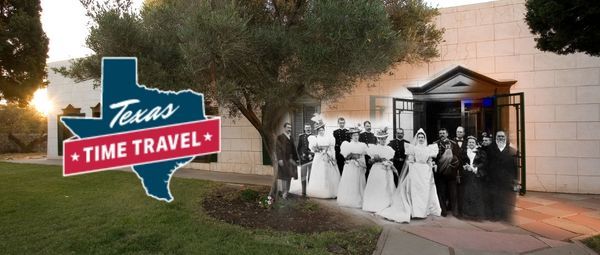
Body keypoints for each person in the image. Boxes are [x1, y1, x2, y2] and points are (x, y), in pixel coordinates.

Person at [378, 128, 441, 223]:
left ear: (424, 138)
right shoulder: (413, 148)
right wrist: (411, 170)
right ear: (417, 138)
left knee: (424, 191)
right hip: (416, 171)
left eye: (422, 137)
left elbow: (429, 161)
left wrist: (431, 166)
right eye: (419, 137)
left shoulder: (429, 149)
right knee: (415, 191)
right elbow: (410, 161)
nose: (420, 139)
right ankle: (415, 211)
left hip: (425, 171)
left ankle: (423, 211)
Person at [485, 131, 518, 222]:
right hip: (493, 179)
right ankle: (495, 216)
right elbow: (486, 164)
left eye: (502, 136)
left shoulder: (511, 151)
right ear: (495, 137)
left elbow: (514, 166)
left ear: (505, 138)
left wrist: (515, 179)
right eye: (498, 136)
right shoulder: (489, 149)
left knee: (504, 197)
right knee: (494, 198)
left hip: (505, 179)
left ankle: (504, 216)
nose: (500, 138)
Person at [362, 128, 396, 212]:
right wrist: (375, 160)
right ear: (378, 139)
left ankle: (386, 203)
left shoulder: (389, 149)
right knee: (377, 186)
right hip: (377, 169)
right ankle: (375, 204)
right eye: (381, 139)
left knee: (386, 185)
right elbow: (370, 161)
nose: (383, 141)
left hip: (386, 170)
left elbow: (391, 160)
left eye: (384, 139)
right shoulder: (374, 148)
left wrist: (389, 163)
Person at [306, 116, 341, 199]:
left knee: (329, 174)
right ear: (317, 131)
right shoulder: (315, 138)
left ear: (324, 130)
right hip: (319, 158)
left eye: (322, 130)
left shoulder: (329, 138)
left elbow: (331, 148)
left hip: (327, 156)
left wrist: (332, 156)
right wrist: (318, 150)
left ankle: (330, 191)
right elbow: (313, 149)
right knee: (319, 173)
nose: (321, 131)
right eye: (320, 130)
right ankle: (319, 191)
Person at [337, 127, 368, 208]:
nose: (356, 137)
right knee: (351, 181)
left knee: (358, 181)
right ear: (351, 136)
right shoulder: (347, 145)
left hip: (359, 166)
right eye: (354, 135)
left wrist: (362, 164)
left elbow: (362, 156)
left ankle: (359, 198)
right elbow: (346, 157)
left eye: (357, 135)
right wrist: (350, 158)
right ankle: (349, 198)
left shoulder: (362, 145)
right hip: (351, 166)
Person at [459, 136, 487, 220]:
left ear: (475, 144)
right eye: (469, 142)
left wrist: (474, 168)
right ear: (467, 143)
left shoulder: (480, 152)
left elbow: (483, 163)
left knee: (476, 194)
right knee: (467, 194)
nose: (471, 144)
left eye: (472, 142)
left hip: (476, 175)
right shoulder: (464, 151)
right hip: (467, 175)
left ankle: (477, 214)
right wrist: (464, 166)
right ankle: (467, 214)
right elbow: (461, 161)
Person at [433, 128, 460, 217]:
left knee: (453, 193)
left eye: (443, 133)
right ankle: (443, 210)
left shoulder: (453, 144)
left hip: (451, 172)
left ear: (447, 134)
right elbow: (434, 158)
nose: (442, 135)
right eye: (440, 133)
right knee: (441, 192)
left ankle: (455, 211)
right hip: (440, 172)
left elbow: (457, 157)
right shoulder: (435, 144)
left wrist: (452, 167)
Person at [290, 123, 314, 197]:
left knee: (311, 175)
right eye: (306, 127)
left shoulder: (314, 136)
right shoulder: (301, 136)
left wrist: (312, 155)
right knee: (303, 175)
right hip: (303, 159)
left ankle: (310, 191)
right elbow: (298, 148)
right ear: (304, 128)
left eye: (309, 127)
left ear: (311, 128)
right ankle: (304, 192)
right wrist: (300, 156)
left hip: (311, 159)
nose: (308, 129)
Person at [276, 122, 299, 199]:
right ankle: (283, 193)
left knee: (289, 176)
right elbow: (278, 149)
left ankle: (287, 192)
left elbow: (294, 149)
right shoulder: (280, 137)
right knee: (284, 176)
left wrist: (296, 159)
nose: (289, 129)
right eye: (288, 127)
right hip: (283, 159)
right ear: (284, 128)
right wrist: (280, 159)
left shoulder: (291, 137)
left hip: (290, 159)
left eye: (290, 128)